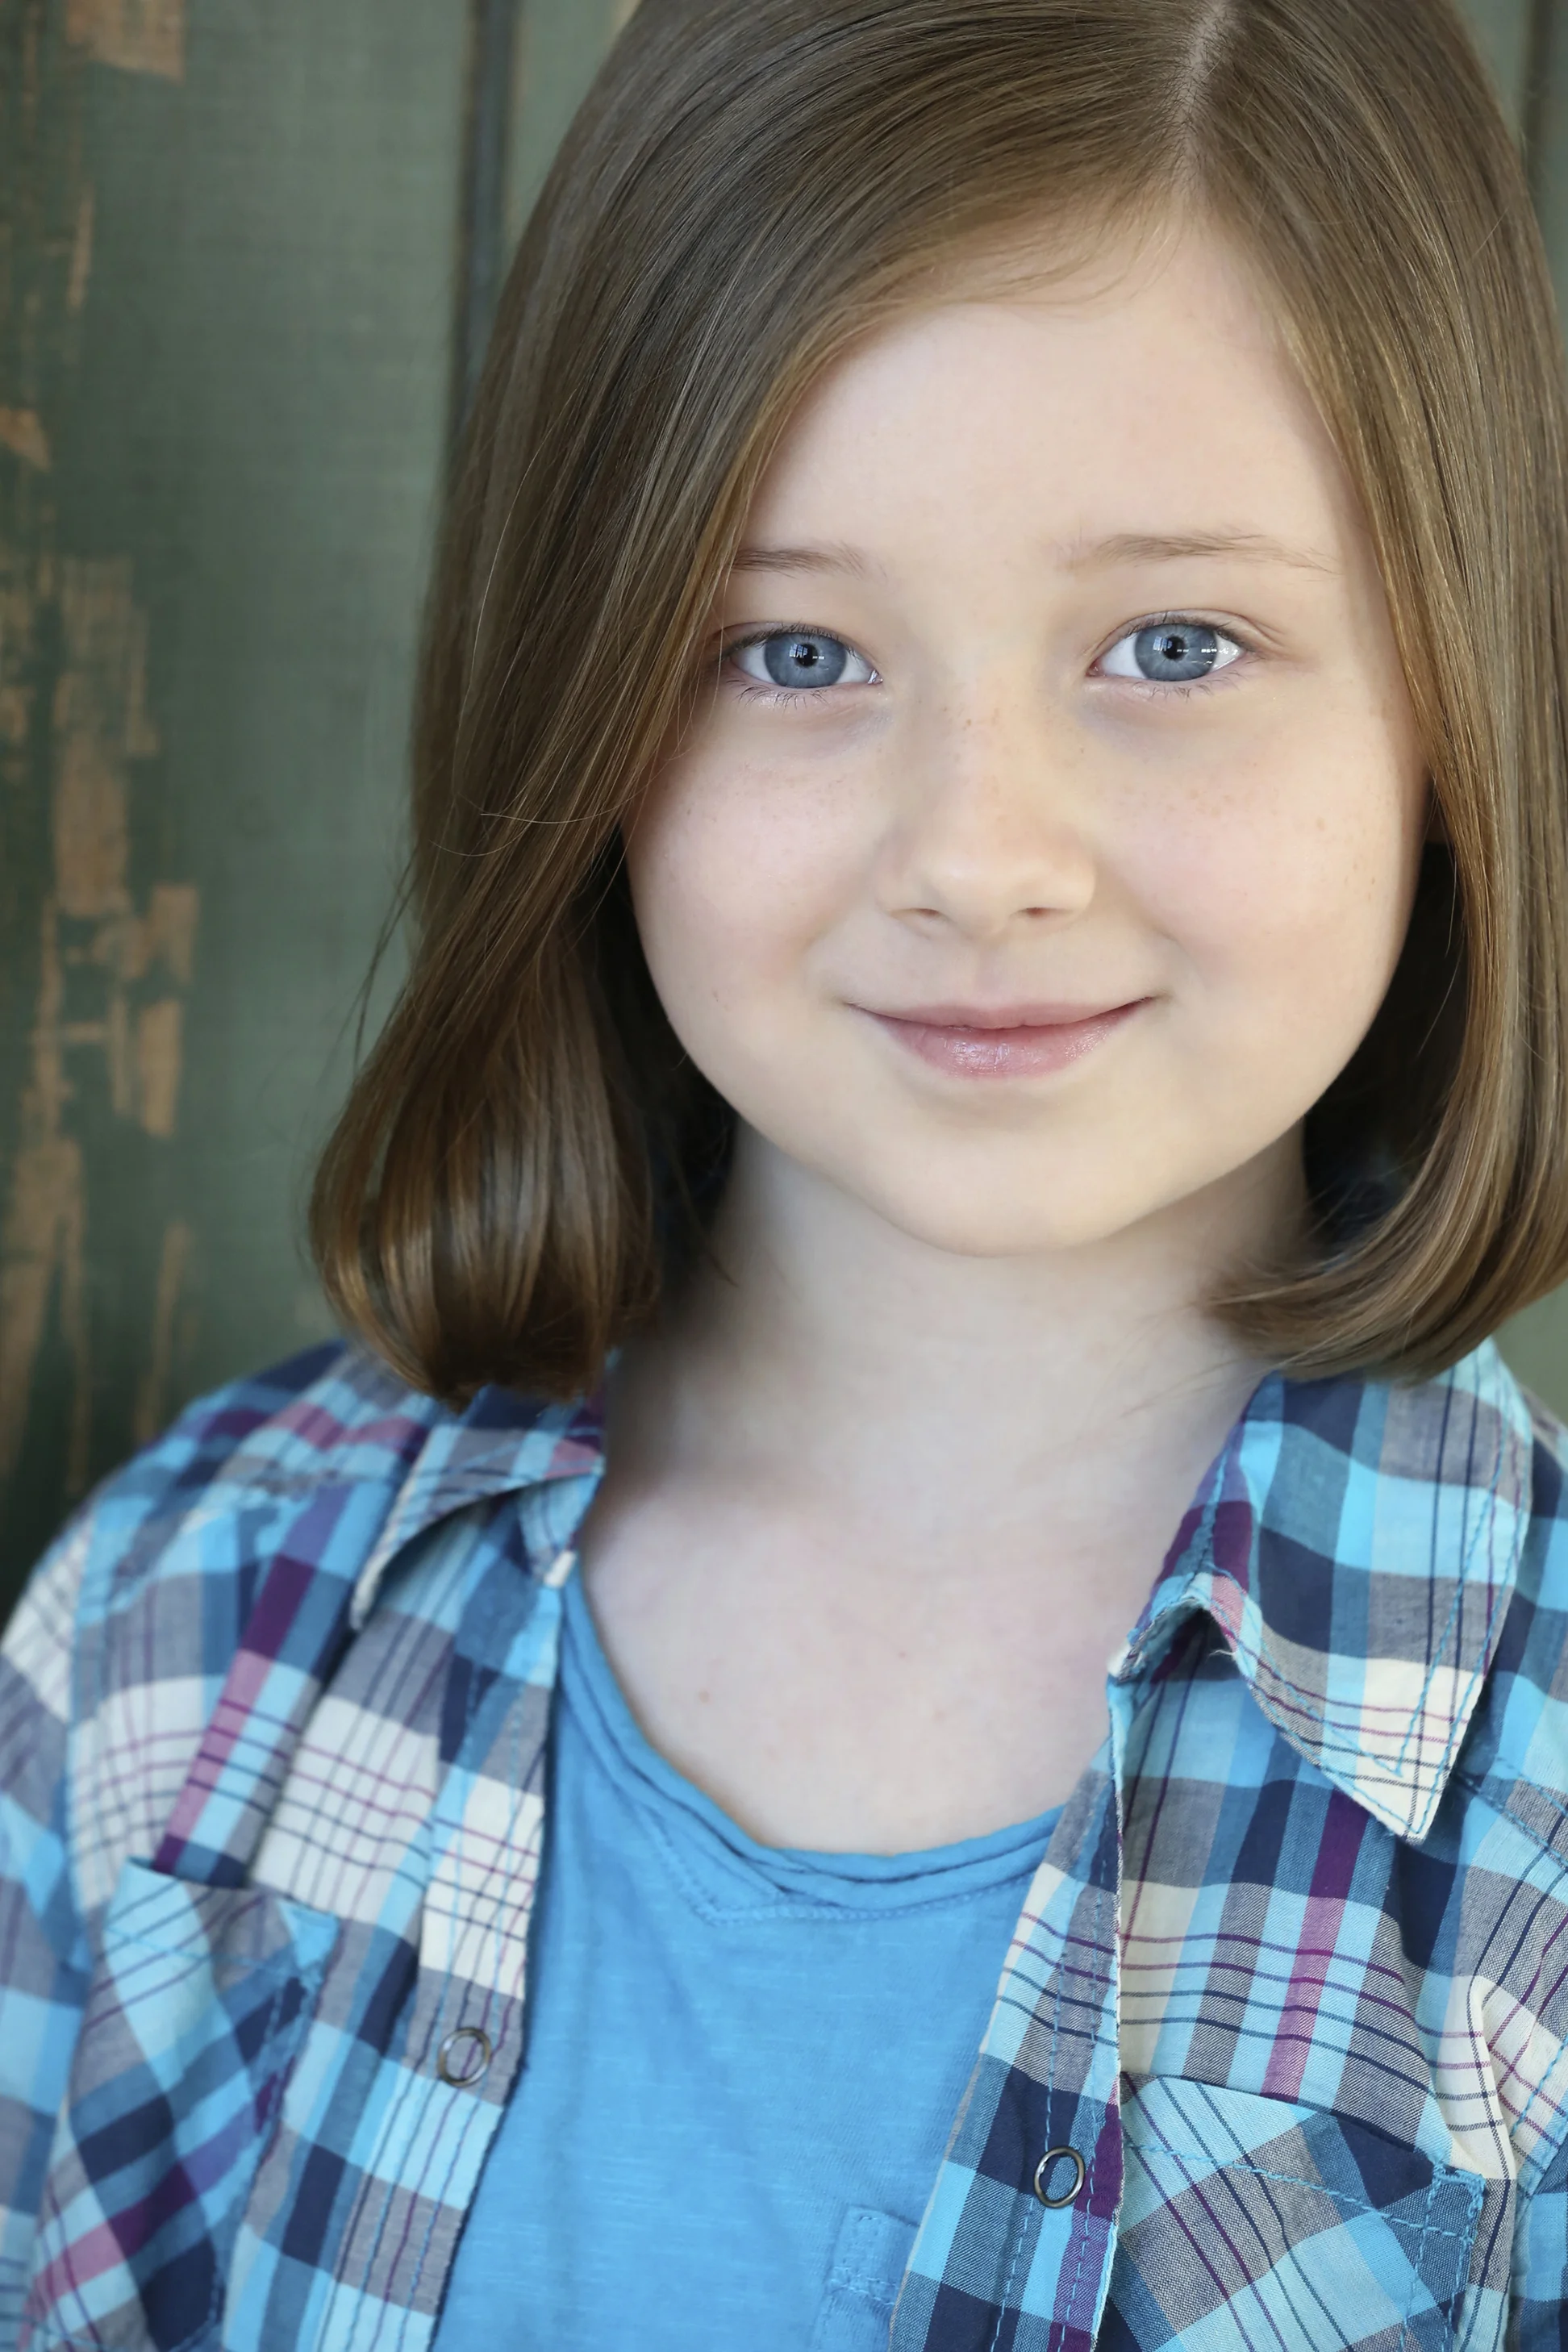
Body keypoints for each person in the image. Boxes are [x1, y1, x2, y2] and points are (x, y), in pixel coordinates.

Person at [6, 0, 1568, 2344]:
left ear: (1455, 691)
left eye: (1173, 641)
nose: (979, 853)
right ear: (589, 690)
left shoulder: (1529, 1826)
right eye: (793, 648)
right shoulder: (188, 1640)